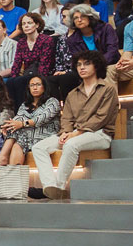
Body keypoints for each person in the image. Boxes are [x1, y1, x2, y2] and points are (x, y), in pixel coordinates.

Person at [35, 50, 118, 199]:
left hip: (100, 134)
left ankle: (59, 187)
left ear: (97, 66)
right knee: (38, 147)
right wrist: (66, 132)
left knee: (71, 145)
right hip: (74, 133)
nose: (82, 68)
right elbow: (66, 118)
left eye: (87, 64)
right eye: (79, 65)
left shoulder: (108, 89)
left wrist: (76, 133)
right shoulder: (73, 93)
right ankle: (50, 186)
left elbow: (101, 118)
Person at [0, 75, 60, 189]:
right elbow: (18, 118)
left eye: (38, 84)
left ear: (44, 87)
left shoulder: (52, 102)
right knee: (16, 135)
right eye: (32, 85)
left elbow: (43, 118)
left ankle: (2, 158)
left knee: (19, 133)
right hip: (28, 137)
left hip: (47, 136)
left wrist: (22, 124)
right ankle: (14, 185)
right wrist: (8, 126)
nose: (35, 88)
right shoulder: (25, 105)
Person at [55, 4, 119, 98]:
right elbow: (79, 59)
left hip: (111, 64)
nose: (79, 20)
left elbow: (112, 50)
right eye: (76, 18)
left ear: (90, 17)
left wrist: (97, 66)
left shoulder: (105, 28)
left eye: (82, 16)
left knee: (107, 71)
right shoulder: (72, 39)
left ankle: (110, 105)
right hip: (89, 69)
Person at [6, 11, 55, 108]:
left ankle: (26, 110)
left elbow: (45, 63)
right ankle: (16, 112)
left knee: (21, 81)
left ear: (37, 25)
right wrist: (13, 77)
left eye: (29, 23)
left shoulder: (46, 40)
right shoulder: (21, 42)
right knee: (11, 82)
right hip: (28, 73)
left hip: (44, 73)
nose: (26, 26)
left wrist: (39, 79)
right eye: (24, 24)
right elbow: (17, 63)